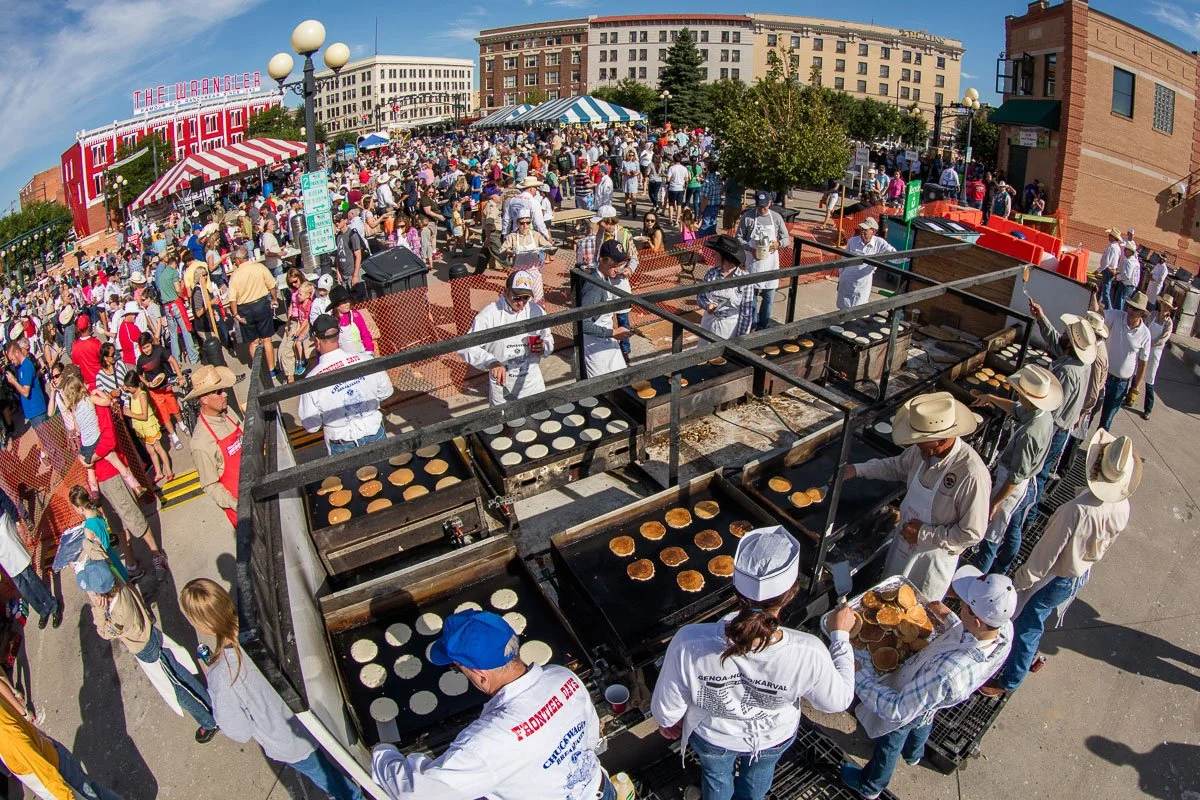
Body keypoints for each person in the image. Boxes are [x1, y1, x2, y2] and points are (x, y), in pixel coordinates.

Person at [652, 527, 856, 800]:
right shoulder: (809, 652)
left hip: (713, 736)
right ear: (791, 593)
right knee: (758, 779)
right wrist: (841, 636)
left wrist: (668, 722)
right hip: (773, 736)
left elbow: (666, 713)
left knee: (716, 778)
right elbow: (837, 701)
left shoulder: (689, 642)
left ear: (735, 587)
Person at [372, 610, 607, 800]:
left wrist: (383, 752)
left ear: (480, 675)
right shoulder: (563, 677)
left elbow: (414, 793)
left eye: (458, 668)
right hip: (600, 789)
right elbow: (589, 739)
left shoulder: (485, 745)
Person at [979, 429, 1139, 697]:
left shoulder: (1074, 512)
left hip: (1056, 576)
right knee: (1034, 620)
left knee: (1028, 623)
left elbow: (1044, 557)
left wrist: (1019, 582)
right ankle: (1018, 662)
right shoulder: (1123, 506)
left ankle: (1011, 679)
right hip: (1080, 571)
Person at [840, 565, 1017, 799]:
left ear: (976, 621)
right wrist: (949, 618)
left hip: (913, 698)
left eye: (964, 605)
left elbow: (896, 709)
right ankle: (914, 754)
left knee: (892, 740)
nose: (959, 603)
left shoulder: (948, 673)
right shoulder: (1004, 628)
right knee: (925, 719)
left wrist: (857, 673)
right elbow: (969, 633)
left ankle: (872, 785)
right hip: (930, 701)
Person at [180, 579, 364, 800]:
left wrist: (212, 679)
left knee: (332, 782)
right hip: (320, 710)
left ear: (203, 626)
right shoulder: (262, 621)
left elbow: (240, 731)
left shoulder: (221, 675)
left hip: (290, 740)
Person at [841, 392, 990, 600]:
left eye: (922, 440)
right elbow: (896, 467)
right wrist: (856, 470)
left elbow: (971, 533)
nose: (916, 444)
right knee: (887, 597)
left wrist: (924, 534)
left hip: (930, 561)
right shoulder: (921, 453)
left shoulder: (971, 474)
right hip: (902, 546)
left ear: (943, 440)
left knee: (914, 610)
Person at [77, 559, 218, 743]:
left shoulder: (119, 613)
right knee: (177, 672)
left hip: (147, 650)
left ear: (101, 595)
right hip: (150, 636)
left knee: (176, 688)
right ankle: (208, 702)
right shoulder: (117, 583)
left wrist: (99, 612)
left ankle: (209, 721)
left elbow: (105, 632)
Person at [970, 365, 1062, 575]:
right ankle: (1004, 565)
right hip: (1026, 485)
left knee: (991, 536)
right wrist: (991, 397)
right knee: (1014, 529)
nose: (1017, 395)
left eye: (1020, 393)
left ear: (1027, 397)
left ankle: (977, 580)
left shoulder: (1030, 434)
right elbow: (1016, 409)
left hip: (1012, 488)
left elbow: (1015, 478)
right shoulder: (1042, 413)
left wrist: (995, 502)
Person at [0, 682, 125, 800]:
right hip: (52, 756)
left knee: (92, 793)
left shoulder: (5, 735)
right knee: (95, 791)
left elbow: (43, 771)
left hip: (58, 775)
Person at [297, 315, 394, 455]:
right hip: (373, 430)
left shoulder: (312, 379)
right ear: (338, 335)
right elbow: (386, 391)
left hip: (342, 440)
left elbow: (311, 425)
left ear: (317, 341)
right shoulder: (366, 360)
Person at [459, 271, 553, 407]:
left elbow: (548, 339)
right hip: (503, 390)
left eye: (526, 298)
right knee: (506, 427)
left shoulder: (536, 311)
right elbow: (466, 346)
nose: (521, 303)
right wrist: (491, 362)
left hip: (533, 386)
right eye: (516, 297)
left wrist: (544, 346)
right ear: (505, 291)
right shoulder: (490, 314)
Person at [186, 366, 243, 526]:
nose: (224, 394)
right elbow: (210, 485)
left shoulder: (227, 412)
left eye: (223, 389)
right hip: (242, 510)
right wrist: (236, 504)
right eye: (218, 392)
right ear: (204, 399)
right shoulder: (201, 442)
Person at [1092, 289, 1151, 432]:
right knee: (1089, 413)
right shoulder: (1116, 316)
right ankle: (1073, 447)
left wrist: (1135, 388)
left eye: (1136, 309)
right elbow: (1098, 316)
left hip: (1121, 384)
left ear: (1142, 313)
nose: (1131, 311)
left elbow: (1143, 363)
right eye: (1130, 307)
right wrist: (1094, 295)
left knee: (1106, 422)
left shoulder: (1145, 334)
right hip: (1102, 377)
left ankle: (1097, 452)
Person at [0, 489, 60, 630]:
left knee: (27, 573)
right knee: (19, 581)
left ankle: (52, 605)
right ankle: (42, 610)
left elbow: (4, 499)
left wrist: (17, 521)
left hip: (3, 527)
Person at [580, 239, 635, 378]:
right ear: (603, 260)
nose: (618, 268)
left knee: (620, 378)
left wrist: (613, 332)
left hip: (606, 340)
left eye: (620, 264)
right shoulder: (594, 288)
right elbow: (583, 324)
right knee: (603, 387)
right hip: (595, 347)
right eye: (615, 264)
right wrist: (613, 332)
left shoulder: (605, 278)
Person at [735, 192, 789, 331]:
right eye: (759, 206)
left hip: (770, 263)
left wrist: (778, 244)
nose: (761, 209)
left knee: (768, 298)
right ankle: (752, 324)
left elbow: (786, 238)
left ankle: (763, 325)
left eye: (764, 207)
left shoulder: (776, 218)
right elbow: (739, 237)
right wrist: (749, 248)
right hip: (753, 263)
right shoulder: (748, 217)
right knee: (751, 297)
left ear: (770, 203)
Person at [227, 247, 281, 382]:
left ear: (238, 260)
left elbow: (232, 299)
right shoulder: (259, 267)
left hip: (245, 308)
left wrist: (235, 314)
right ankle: (271, 369)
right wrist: (274, 299)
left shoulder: (235, 275)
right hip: (261, 304)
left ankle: (260, 369)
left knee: (253, 342)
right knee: (267, 339)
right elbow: (271, 285)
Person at [696, 234, 756, 340]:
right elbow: (700, 296)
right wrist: (707, 305)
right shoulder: (711, 273)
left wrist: (740, 340)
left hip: (729, 329)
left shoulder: (744, 279)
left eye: (716, 253)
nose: (712, 255)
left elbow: (746, 313)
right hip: (708, 324)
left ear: (726, 257)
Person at [135, 332, 187, 450]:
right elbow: (139, 375)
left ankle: (181, 424)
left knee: (174, 408)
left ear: (151, 343)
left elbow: (172, 361)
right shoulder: (141, 360)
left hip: (166, 385)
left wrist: (179, 376)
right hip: (154, 391)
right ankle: (174, 436)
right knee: (164, 415)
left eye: (148, 346)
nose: (146, 350)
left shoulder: (160, 350)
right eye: (143, 348)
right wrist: (147, 383)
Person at [838, 217, 898, 309]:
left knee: (858, 309)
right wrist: (840, 278)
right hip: (847, 280)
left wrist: (909, 257)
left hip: (863, 283)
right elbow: (843, 261)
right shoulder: (852, 241)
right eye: (862, 229)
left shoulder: (880, 243)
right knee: (843, 308)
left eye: (865, 230)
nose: (862, 232)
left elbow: (894, 255)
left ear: (873, 232)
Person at [500, 210, 552, 305]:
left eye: (528, 223)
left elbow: (547, 245)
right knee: (521, 299)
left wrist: (550, 247)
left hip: (534, 272)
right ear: (517, 223)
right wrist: (509, 252)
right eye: (522, 223)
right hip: (519, 273)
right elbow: (502, 251)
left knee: (538, 297)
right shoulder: (512, 236)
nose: (525, 226)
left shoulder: (535, 235)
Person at [1138, 296, 1173, 420]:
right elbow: (1145, 326)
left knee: (1150, 380)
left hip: (1155, 352)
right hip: (1144, 347)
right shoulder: (1153, 314)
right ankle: (1130, 397)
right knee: (1136, 373)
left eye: (1168, 306)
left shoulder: (1168, 323)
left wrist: (1152, 343)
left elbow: (1164, 338)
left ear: (1170, 309)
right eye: (1164, 305)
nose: (1165, 307)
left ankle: (1148, 409)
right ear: (1161, 304)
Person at [70, 315, 102, 389]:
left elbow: (76, 365)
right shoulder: (96, 343)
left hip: (86, 384)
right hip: (100, 380)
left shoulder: (75, 346)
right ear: (88, 324)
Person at [1112, 240, 1140, 311]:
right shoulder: (1136, 262)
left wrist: (1117, 276)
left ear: (1130, 251)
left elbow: (1127, 276)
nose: (1124, 251)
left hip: (1125, 287)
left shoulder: (1128, 261)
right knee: (1124, 306)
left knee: (1119, 306)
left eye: (1126, 249)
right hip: (1131, 288)